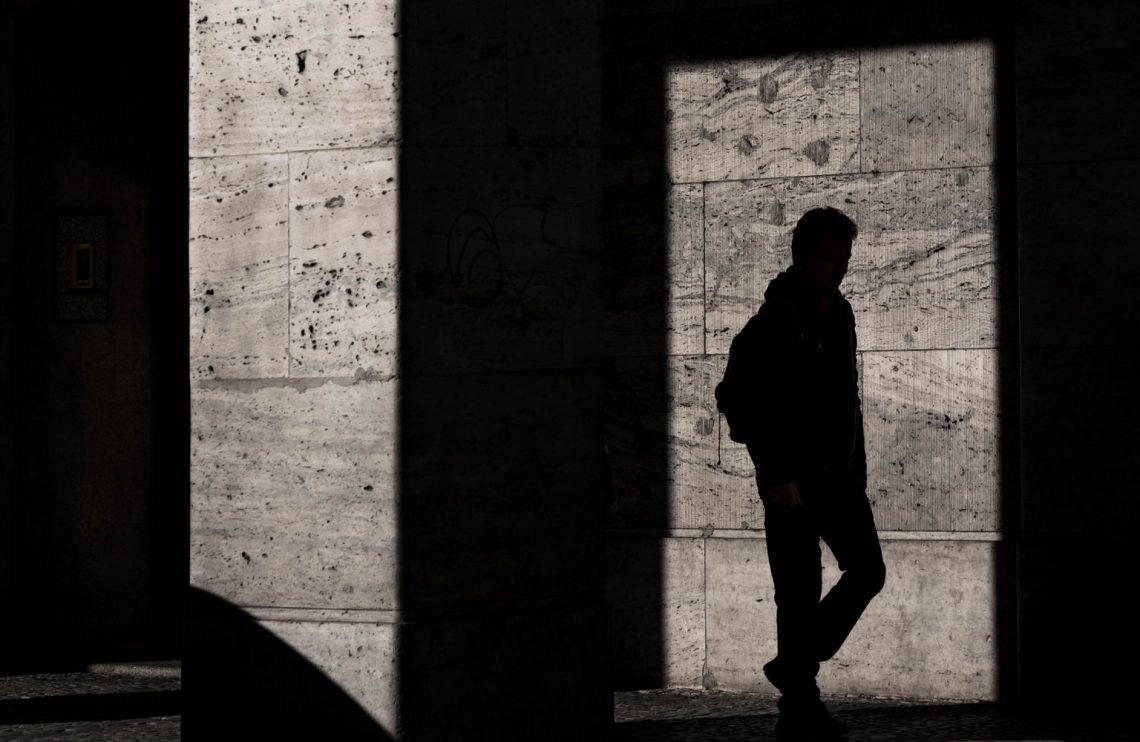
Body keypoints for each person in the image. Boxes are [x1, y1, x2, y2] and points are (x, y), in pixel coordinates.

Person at [715, 206, 886, 740]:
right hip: (790, 484)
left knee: (867, 570)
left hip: (838, 478)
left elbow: (844, 399)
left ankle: (795, 663)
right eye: (836, 259)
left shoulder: (840, 314)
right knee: (798, 592)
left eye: (848, 259)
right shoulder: (773, 322)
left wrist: (855, 466)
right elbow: (737, 399)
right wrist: (776, 472)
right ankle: (799, 708)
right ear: (808, 256)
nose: (844, 269)